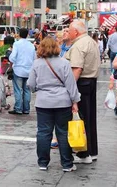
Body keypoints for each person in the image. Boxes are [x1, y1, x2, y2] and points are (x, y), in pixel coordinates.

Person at [28, 38, 80, 172]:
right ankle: (67, 164)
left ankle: (43, 162)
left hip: (43, 102)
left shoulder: (36, 64)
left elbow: (31, 84)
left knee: (43, 132)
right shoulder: (64, 63)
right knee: (63, 132)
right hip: (62, 102)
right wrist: (75, 101)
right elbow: (71, 84)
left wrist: (37, 90)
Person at [64, 20, 100, 163]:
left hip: (82, 82)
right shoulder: (90, 41)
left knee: (80, 117)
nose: (68, 32)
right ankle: (92, 151)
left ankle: (83, 153)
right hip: (91, 81)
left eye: (70, 30)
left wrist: (70, 89)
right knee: (90, 117)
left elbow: (77, 69)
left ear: (76, 32)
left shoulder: (79, 45)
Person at [8, 28, 35, 115]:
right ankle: (26, 109)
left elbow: (12, 57)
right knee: (27, 90)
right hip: (29, 71)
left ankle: (18, 108)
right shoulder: (31, 45)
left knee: (18, 90)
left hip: (18, 70)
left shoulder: (17, 44)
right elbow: (34, 58)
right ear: (27, 35)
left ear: (19, 34)